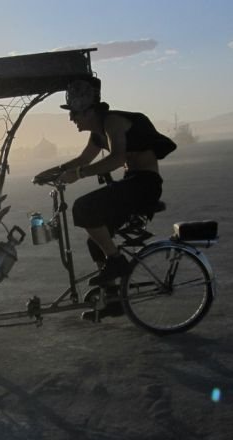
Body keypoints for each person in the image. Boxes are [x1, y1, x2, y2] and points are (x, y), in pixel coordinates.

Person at [33, 77, 176, 289]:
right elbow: (83, 159)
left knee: (83, 208)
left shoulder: (112, 123)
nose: (71, 118)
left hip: (145, 185)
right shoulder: (97, 133)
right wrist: (49, 173)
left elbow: (117, 159)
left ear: (90, 111)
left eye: (74, 113)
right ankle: (112, 296)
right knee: (96, 241)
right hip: (132, 183)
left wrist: (79, 174)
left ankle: (117, 262)